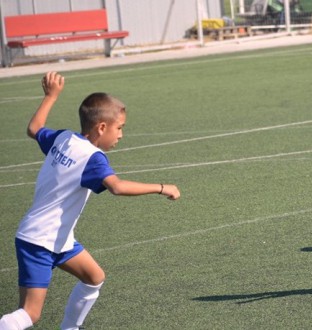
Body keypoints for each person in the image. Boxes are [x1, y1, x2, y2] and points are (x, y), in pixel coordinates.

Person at [0, 72, 181, 330]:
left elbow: (34, 129)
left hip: (57, 239)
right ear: (102, 127)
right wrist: (162, 187)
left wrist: (51, 96)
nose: (121, 135)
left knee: (94, 277)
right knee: (30, 314)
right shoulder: (93, 158)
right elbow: (117, 187)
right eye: (120, 128)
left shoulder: (63, 138)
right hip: (41, 240)